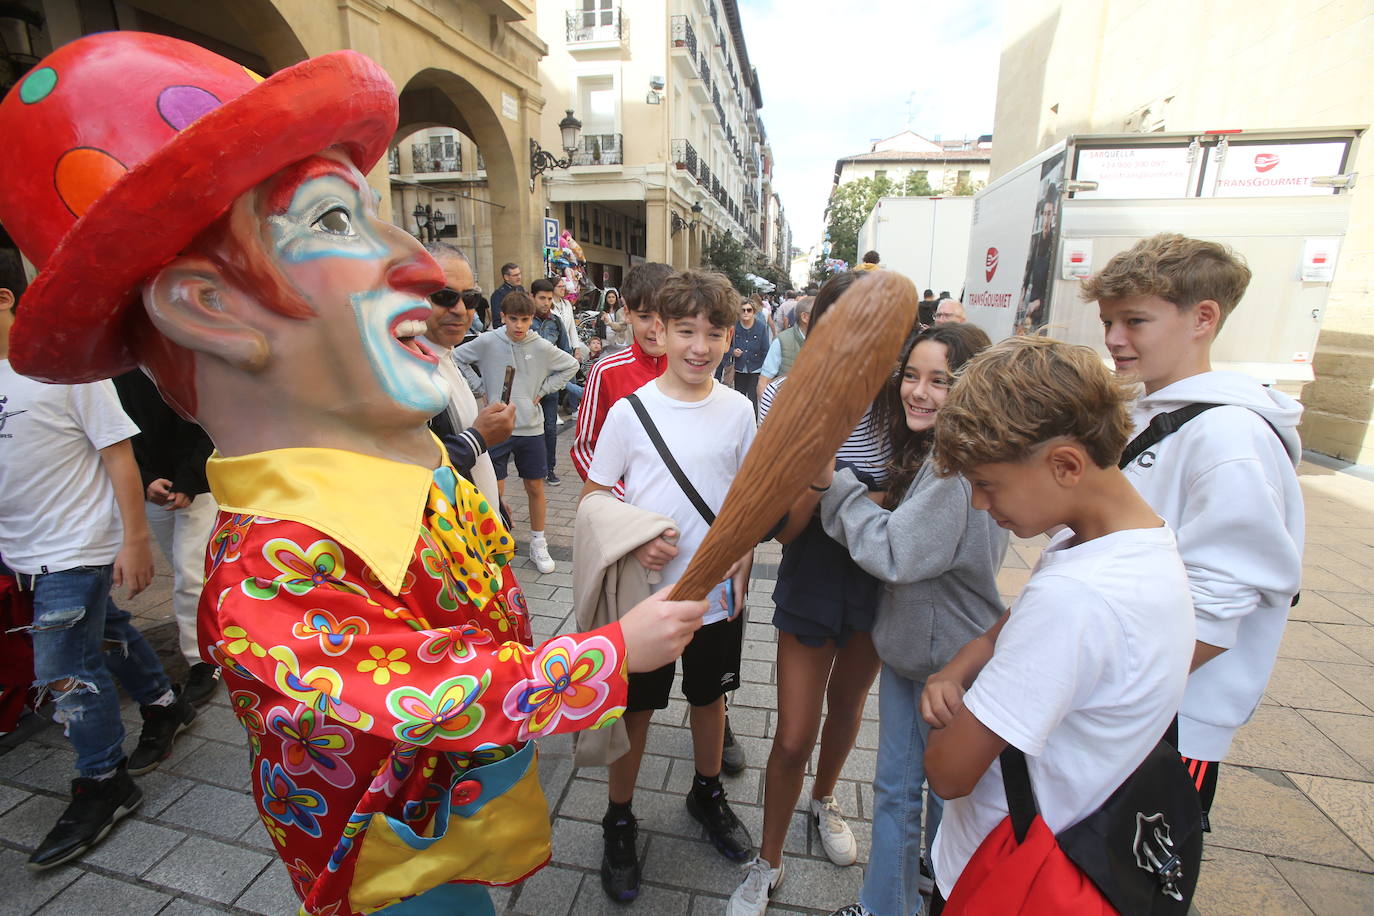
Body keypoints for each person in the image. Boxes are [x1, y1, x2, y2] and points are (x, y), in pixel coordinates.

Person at [0, 32, 710, 914]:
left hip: (458, 826)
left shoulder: (424, 477)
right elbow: (415, 693)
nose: (418, 262)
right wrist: (604, 658)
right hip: (386, 874)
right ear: (209, 308)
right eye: (335, 219)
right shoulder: (265, 567)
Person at [915, 336, 1195, 910]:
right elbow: (1014, 623)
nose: (979, 505)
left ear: (1065, 464)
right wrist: (963, 665)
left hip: (1003, 872)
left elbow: (948, 774)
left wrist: (947, 706)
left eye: (988, 484)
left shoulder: (1077, 601)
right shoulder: (1122, 541)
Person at [1086, 233, 1304, 835]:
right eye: (1108, 321)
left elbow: (1221, 603)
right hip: (1122, 707)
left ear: (1202, 318)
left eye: (1135, 320)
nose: (1113, 338)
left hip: (1165, 722)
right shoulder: (1152, 415)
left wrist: (1107, 688)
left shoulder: (1229, 437)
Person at [801, 324, 1005, 916]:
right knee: (941, 795)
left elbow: (896, 552)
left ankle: (884, 907)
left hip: (935, 660)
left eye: (939, 380)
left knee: (898, 793)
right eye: (911, 376)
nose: (918, 392)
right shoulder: (956, 453)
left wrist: (833, 486)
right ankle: (931, 892)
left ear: (972, 386)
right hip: (941, 650)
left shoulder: (954, 468)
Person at [1, 249, 195, 870]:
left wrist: (134, 539)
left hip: (75, 547)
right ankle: (167, 705)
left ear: (4, 299)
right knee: (106, 632)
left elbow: (118, 454)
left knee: (63, 668)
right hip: (20, 549)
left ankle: (103, 780)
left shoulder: (69, 374)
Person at [583, 268, 758, 904]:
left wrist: (745, 546)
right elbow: (597, 496)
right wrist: (635, 533)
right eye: (686, 330)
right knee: (638, 707)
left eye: (714, 333)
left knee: (711, 700)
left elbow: (750, 496)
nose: (698, 346)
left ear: (730, 338)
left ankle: (706, 792)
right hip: (647, 599)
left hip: (717, 597)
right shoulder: (630, 413)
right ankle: (620, 817)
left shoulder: (740, 411)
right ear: (660, 329)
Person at [727, 273, 891, 916]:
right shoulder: (788, 396)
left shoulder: (899, 402)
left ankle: (823, 803)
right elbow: (787, 526)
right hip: (814, 572)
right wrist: (829, 489)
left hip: (880, 574)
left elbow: (905, 506)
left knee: (849, 708)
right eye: (838, 322)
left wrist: (844, 494)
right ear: (816, 326)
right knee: (793, 733)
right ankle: (767, 862)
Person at [112, 368, 221, 706]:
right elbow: (116, 440)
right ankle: (216, 636)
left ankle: (203, 660)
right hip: (153, 489)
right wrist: (146, 480)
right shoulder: (110, 375)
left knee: (190, 573)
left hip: (198, 487)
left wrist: (189, 481)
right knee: (188, 568)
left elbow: (210, 426)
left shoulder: (178, 358)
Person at [454, 290, 576, 574]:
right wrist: (481, 388)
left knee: (535, 486)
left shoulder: (541, 345)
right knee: (492, 488)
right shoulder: (487, 341)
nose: (519, 326)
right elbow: (456, 358)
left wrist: (543, 390)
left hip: (530, 429)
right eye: (513, 319)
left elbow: (570, 365)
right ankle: (495, 540)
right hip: (495, 428)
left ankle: (538, 542)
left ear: (532, 319)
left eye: (524, 319)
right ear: (502, 317)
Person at [417, 241, 515, 506]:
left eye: (470, 298)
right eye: (445, 296)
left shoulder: (447, 354)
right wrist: (479, 438)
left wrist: (492, 497)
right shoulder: (405, 372)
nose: (460, 309)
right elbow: (412, 476)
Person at [569, 262, 673, 482]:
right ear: (627, 314)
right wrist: (623, 499)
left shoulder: (690, 370)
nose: (656, 328)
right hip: (627, 509)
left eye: (664, 316)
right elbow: (585, 450)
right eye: (645, 316)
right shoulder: (605, 371)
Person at [529, 277, 574, 486]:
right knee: (526, 429)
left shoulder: (555, 321)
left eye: (549, 298)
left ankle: (550, 468)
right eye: (542, 298)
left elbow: (566, 351)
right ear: (532, 297)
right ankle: (530, 468)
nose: (546, 302)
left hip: (550, 384)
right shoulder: (524, 320)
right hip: (527, 385)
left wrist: (558, 377)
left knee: (549, 427)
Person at [758, 296, 811, 396]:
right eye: (822, 313)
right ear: (804, 317)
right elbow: (764, 382)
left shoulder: (829, 341)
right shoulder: (782, 341)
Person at [730, 295, 771, 408]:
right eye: (743, 310)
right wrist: (733, 351)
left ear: (754, 311)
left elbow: (766, 349)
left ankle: (752, 424)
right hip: (739, 368)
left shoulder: (761, 327)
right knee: (740, 398)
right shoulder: (734, 327)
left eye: (749, 310)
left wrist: (765, 373)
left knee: (753, 399)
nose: (746, 312)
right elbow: (725, 346)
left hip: (756, 368)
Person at [490, 261, 523, 327]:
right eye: (515, 275)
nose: (519, 277)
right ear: (506, 277)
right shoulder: (498, 295)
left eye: (519, 274)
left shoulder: (521, 289)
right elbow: (497, 322)